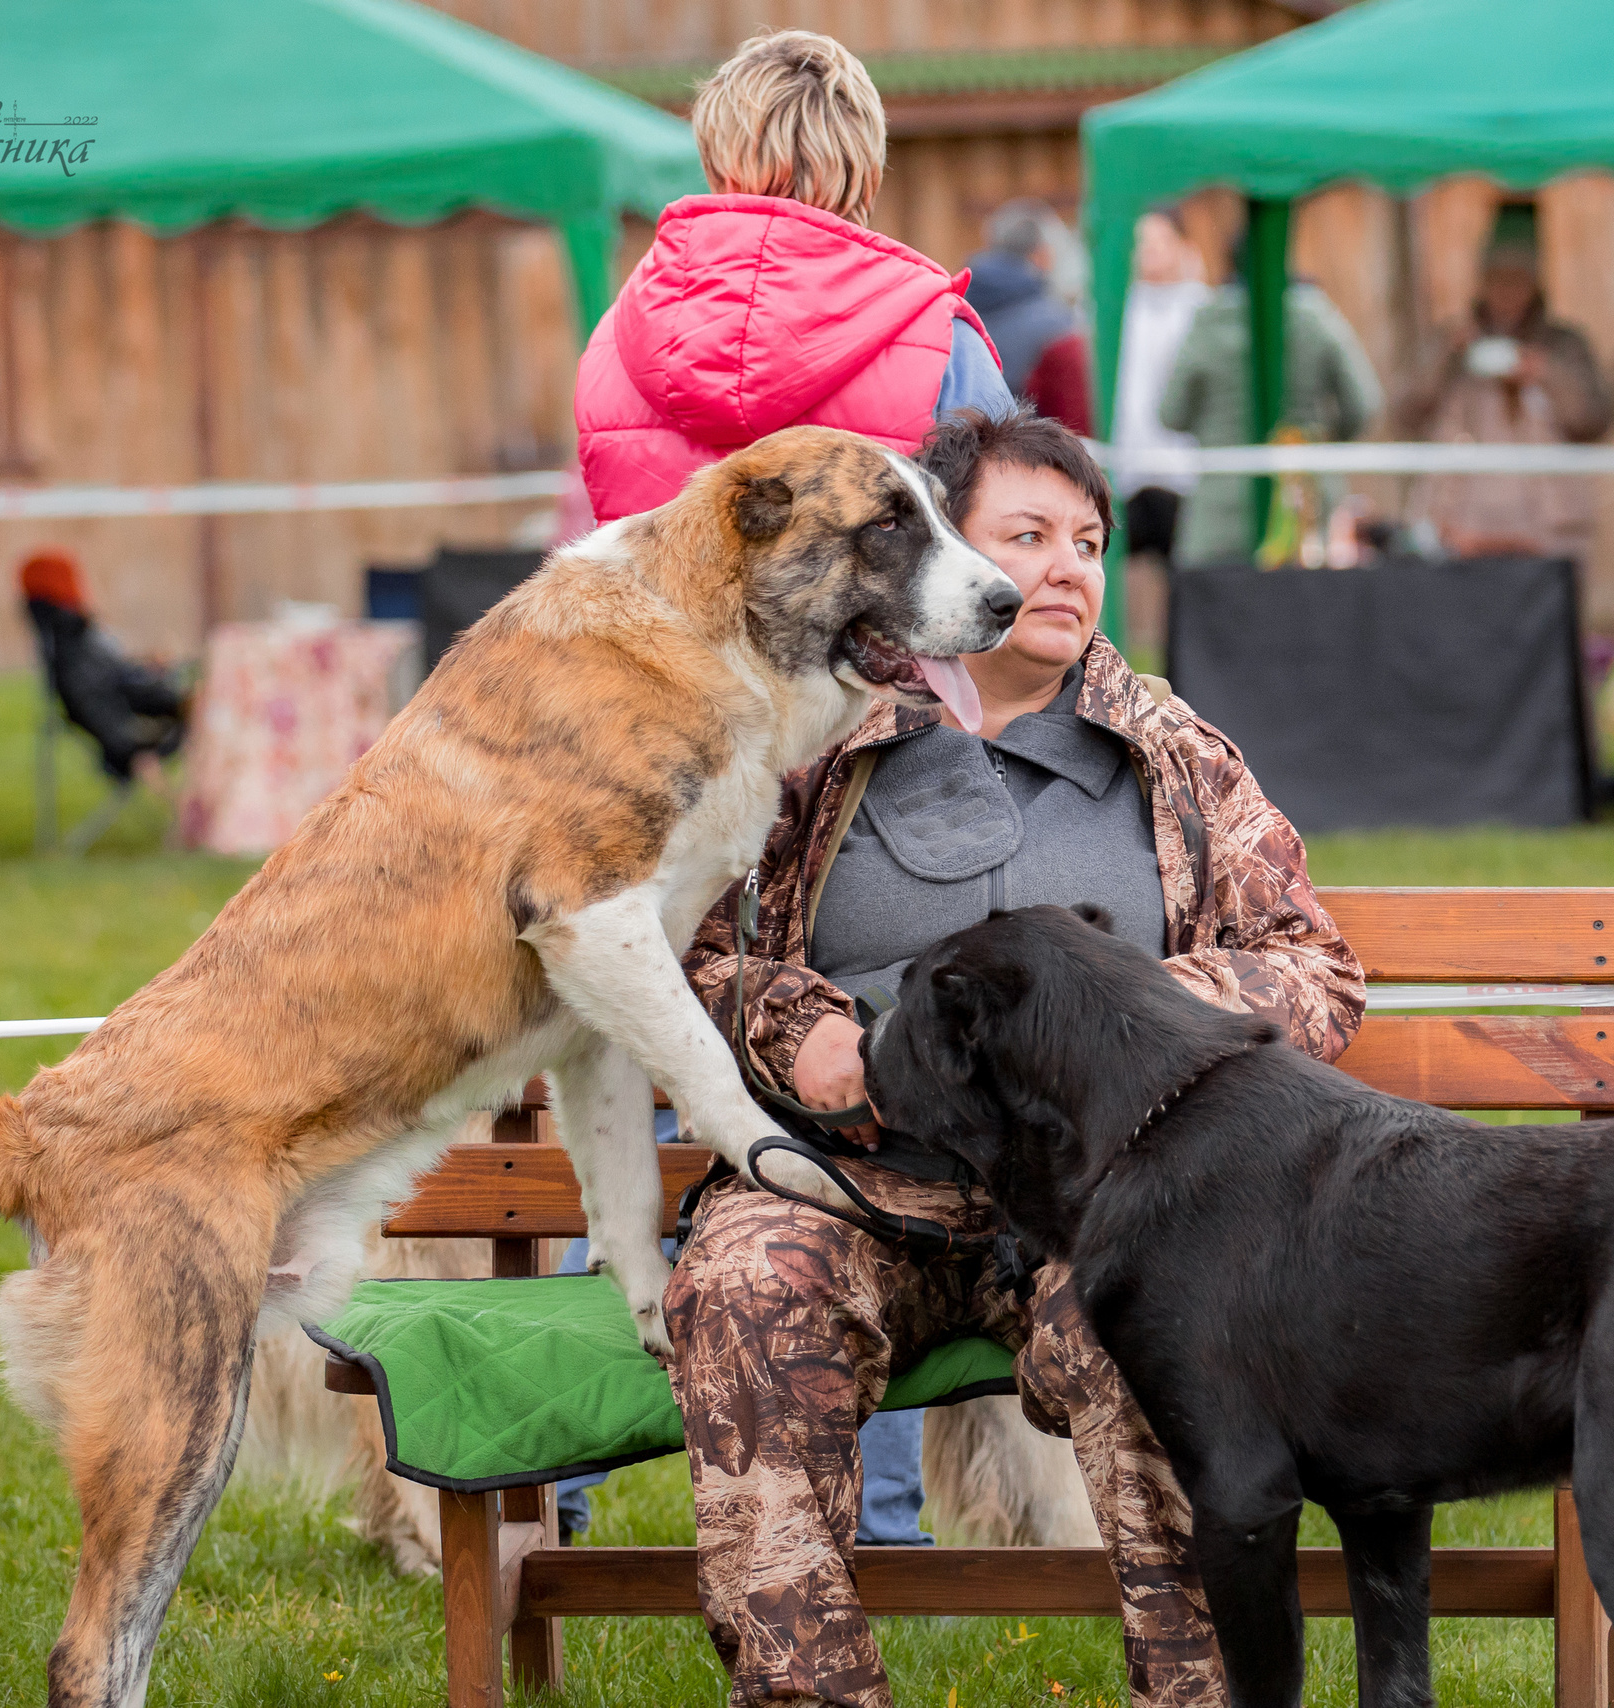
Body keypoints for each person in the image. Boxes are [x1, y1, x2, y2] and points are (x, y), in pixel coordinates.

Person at [668, 406, 1364, 1708]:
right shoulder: (817, 743)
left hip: (1097, 1209)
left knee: (1182, 1322)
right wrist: (796, 1029)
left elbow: (1314, 967)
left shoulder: (1173, 756)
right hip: (849, 1183)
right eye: (1027, 536)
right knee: (745, 1291)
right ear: (934, 552)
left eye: (1089, 542)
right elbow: (706, 955)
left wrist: (1141, 1014)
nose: (1067, 570)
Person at [568, 25, 1016, 1545]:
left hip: (659, 754)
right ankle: (871, 1509)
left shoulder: (621, 331)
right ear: (864, 162)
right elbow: (976, 559)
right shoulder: (938, 333)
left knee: (646, 1061)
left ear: (715, 147)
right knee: (855, 1088)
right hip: (863, 759)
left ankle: (542, 1469)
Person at [572, 29, 1015, 526]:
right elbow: (1005, 532)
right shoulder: (939, 338)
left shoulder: (615, 339)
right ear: (868, 170)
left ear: (716, 162)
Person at [1389, 207, 1613, 564]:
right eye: (1497, 278)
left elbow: (1594, 420)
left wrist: (1546, 374)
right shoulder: (1450, 344)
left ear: (1536, 282)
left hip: (1544, 531)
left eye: (1518, 278)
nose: (1507, 290)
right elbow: (1403, 413)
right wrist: (1444, 355)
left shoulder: (1564, 345)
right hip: (1461, 527)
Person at [1159, 240, 1381, 568]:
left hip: (1220, 510)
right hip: (1306, 503)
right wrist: (1321, 440)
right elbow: (1363, 404)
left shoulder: (1208, 320)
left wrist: (1218, 429)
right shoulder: (1315, 315)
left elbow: (1171, 413)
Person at [19, 548, 185, 791]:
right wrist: (166, 688)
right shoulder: (74, 636)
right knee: (215, 709)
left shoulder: (65, 639)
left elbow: (110, 679)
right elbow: (116, 686)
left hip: (122, 718)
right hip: (126, 737)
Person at [1108, 204, 1210, 570]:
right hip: (1126, 466)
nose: (1150, 251)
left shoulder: (1201, 309)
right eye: (1142, 243)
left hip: (1186, 467)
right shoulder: (1110, 310)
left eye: (1161, 241)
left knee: (1185, 572)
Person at [964, 197, 1095, 435]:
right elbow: (1076, 424)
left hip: (961, 453)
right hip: (1029, 456)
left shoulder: (959, 305)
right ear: (1041, 255)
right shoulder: (1056, 324)